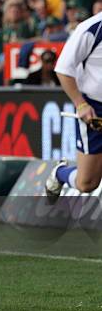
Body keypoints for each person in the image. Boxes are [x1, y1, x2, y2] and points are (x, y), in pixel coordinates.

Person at [45, 11, 102, 199]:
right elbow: (63, 69)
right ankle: (60, 173)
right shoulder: (91, 28)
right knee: (87, 183)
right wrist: (81, 105)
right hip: (95, 107)